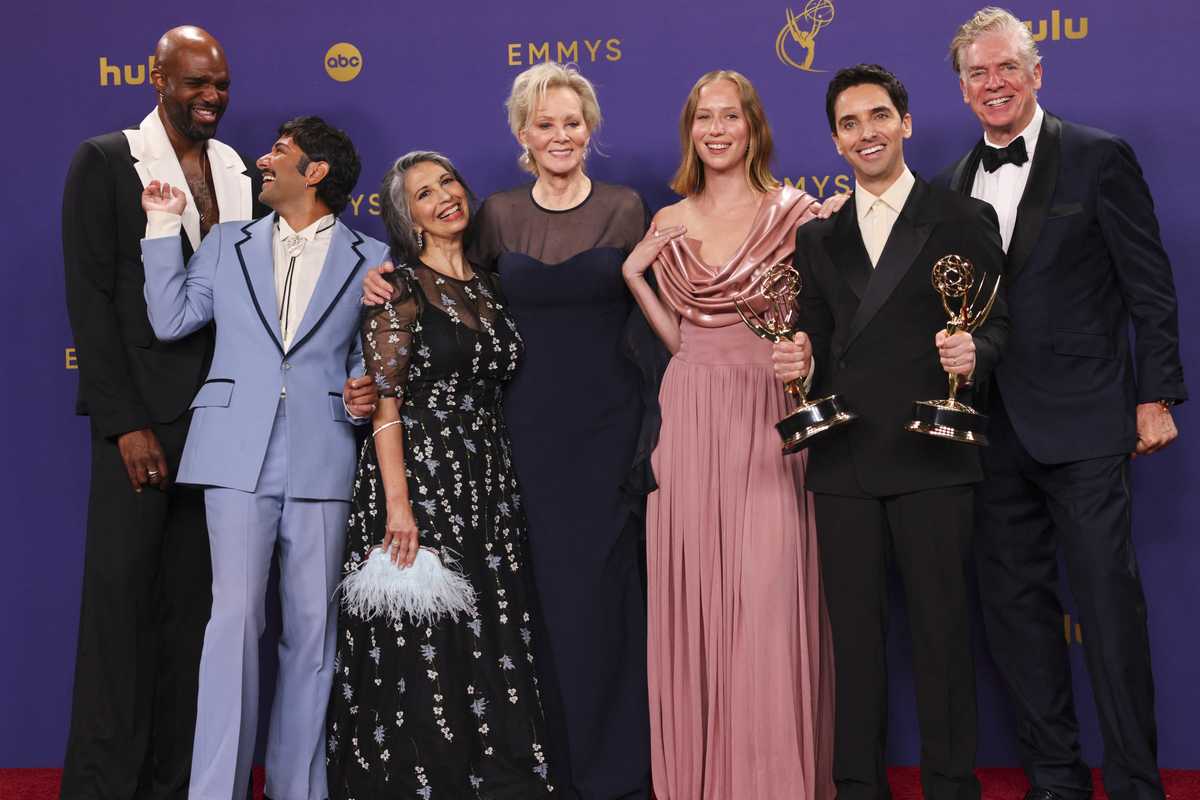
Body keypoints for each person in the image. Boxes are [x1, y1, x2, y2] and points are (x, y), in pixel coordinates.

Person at [363, 62, 660, 800]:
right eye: (544, 123)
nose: (560, 135)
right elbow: (448, 298)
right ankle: (541, 765)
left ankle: (616, 770)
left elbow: (660, 314)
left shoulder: (627, 208)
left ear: (590, 129)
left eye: (572, 122)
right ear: (522, 134)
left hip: (609, 431)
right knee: (530, 602)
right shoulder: (494, 213)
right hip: (518, 439)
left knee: (604, 598)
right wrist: (382, 279)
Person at [941, 9, 1187, 800]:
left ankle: (1137, 783)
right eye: (978, 73)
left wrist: (1155, 394)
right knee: (1016, 615)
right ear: (962, 88)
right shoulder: (950, 184)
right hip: (990, 433)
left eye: (1007, 67)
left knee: (1109, 614)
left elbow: (1150, 287)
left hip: (1085, 422)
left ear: (1037, 73)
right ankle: (1055, 779)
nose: (994, 84)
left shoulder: (1097, 157)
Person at [773, 64, 1010, 800]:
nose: (866, 133)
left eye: (878, 116)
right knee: (855, 644)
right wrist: (797, 357)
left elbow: (997, 322)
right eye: (849, 123)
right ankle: (858, 787)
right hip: (845, 460)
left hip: (933, 452)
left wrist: (976, 354)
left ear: (905, 123)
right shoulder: (818, 238)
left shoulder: (963, 216)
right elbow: (814, 333)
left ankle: (951, 786)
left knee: (942, 637)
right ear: (835, 141)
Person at [139, 116, 386, 800]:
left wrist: (362, 392)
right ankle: (215, 790)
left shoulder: (373, 256)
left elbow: (368, 358)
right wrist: (162, 224)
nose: (262, 160)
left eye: (279, 152)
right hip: (234, 451)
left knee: (312, 633)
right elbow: (171, 318)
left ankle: (295, 789)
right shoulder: (227, 241)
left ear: (316, 173)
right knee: (234, 622)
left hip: (323, 453)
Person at [60, 25, 264, 799]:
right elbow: (91, 301)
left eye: (221, 84)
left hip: (222, 426)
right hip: (142, 427)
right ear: (157, 79)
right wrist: (124, 424)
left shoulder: (238, 169)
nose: (211, 96)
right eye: (195, 83)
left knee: (196, 618)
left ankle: (178, 785)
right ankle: (102, 787)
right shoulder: (107, 161)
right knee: (120, 614)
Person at [621, 69, 835, 800]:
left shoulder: (796, 212)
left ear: (753, 127)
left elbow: (827, 315)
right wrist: (635, 277)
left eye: (730, 116)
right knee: (698, 596)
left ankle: (772, 781)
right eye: (703, 117)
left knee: (769, 594)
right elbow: (680, 340)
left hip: (770, 407)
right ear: (691, 131)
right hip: (689, 412)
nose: (716, 129)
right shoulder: (668, 219)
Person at [326, 151, 555, 799]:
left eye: (448, 182)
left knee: (491, 631)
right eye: (424, 193)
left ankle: (496, 782)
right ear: (409, 218)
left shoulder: (494, 284)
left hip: (487, 481)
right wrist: (398, 506)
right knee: (423, 642)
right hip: (419, 478)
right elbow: (386, 404)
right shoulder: (397, 288)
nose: (444, 197)